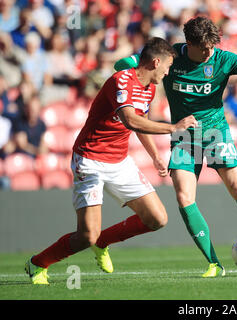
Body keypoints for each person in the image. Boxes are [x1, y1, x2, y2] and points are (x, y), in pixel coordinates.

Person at [114, 16, 237, 277]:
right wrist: (132, 71)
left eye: (212, 47)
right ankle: (214, 264)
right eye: (204, 48)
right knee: (184, 198)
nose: (209, 52)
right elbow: (122, 64)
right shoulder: (171, 57)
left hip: (216, 132)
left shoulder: (223, 59)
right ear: (188, 43)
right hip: (184, 136)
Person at [24, 37, 198, 285]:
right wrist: (173, 128)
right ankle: (37, 263)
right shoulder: (121, 81)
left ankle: (104, 242)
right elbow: (130, 120)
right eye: (168, 67)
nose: (169, 72)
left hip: (119, 161)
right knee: (86, 236)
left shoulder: (148, 88)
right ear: (156, 62)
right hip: (90, 160)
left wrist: (156, 156)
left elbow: (140, 124)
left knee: (157, 218)